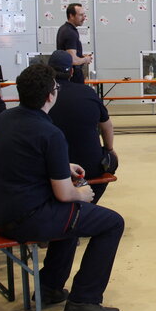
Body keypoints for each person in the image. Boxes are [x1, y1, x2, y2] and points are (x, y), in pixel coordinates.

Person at [0, 63, 125, 311]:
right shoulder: (49, 132)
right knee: (111, 222)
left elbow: (23, 160)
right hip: (26, 218)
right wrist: (82, 195)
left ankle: (49, 287)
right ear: (51, 95)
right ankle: (84, 300)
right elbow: (64, 194)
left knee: (72, 221)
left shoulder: (6, 118)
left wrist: (62, 166)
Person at [47, 50, 117, 204]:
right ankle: (89, 202)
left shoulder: (44, 96)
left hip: (51, 167)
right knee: (112, 160)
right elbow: (107, 126)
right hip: (89, 167)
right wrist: (109, 149)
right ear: (72, 71)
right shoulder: (88, 92)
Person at [56, 3, 93, 84]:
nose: (84, 18)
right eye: (80, 15)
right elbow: (72, 60)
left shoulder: (63, 29)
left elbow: (68, 53)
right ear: (71, 16)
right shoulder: (70, 32)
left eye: (84, 15)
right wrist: (86, 59)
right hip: (73, 76)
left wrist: (81, 56)